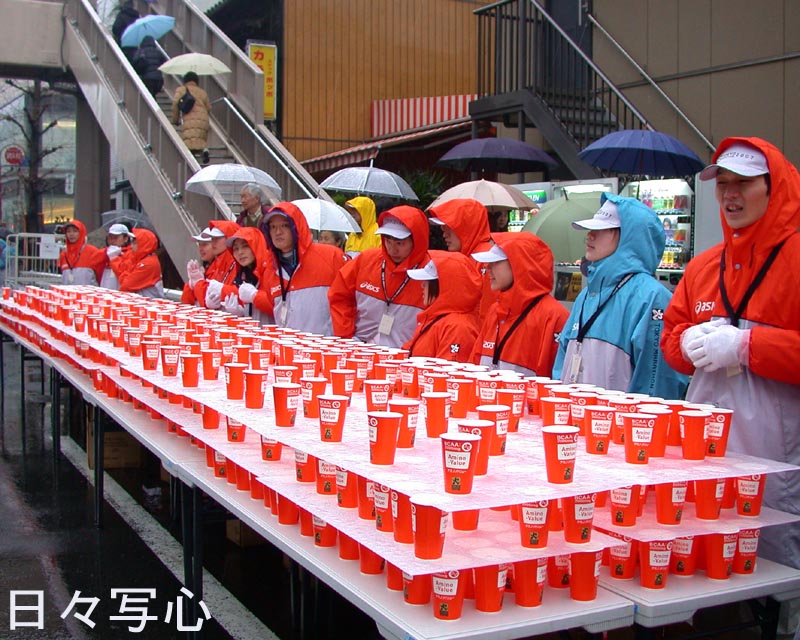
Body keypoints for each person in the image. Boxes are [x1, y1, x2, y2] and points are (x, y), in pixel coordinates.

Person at [660, 137, 800, 586]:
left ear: (774, 187)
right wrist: (686, 343)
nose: (730, 195)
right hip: (704, 451)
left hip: (778, 457)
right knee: (704, 553)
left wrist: (747, 346)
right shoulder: (703, 267)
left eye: (743, 183)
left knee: (776, 564)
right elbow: (670, 341)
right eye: (722, 183)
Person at [552, 194, 688, 398]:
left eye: (601, 230)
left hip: (620, 418)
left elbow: (658, 385)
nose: (590, 235)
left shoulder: (652, 298)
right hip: (576, 416)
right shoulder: (587, 294)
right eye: (591, 229)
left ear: (629, 237)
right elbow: (563, 361)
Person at [328, 206, 429, 347]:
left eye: (400, 243)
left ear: (416, 240)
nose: (392, 249)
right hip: (361, 347)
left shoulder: (430, 273)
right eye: (388, 241)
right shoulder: (366, 260)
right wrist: (346, 337)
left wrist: (415, 351)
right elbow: (339, 296)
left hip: (405, 354)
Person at [236, 202, 346, 333]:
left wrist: (345, 336)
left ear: (296, 227)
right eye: (273, 227)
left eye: (284, 225)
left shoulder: (331, 256)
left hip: (324, 343)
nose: (278, 232)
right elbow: (272, 308)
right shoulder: (271, 268)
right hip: (288, 343)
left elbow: (350, 300)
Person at [470, 232, 569, 377]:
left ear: (519, 264)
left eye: (495, 262)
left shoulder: (555, 316)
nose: (488, 268)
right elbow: (474, 365)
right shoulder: (495, 310)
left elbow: (559, 380)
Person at [404, 251, 481, 362]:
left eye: (428, 281)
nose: (422, 285)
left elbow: (447, 370)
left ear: (445, 285)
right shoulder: (436, 318)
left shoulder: (457, 328)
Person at [427, 198, 495, 321]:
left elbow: (485, 314)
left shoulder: (486, 259)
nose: (444, 235)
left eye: (449, 228)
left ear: (466, 226)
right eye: (443, 229)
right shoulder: (468, 256)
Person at [214, 227, 273, 324]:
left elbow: (279, 307)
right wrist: (239, 313)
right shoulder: (243, 275)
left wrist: (255, 296)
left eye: (245, 246)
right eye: (236, 249)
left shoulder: (272, 270)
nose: (240, 252)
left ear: (256, 245)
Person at [196, 220, 240, 309]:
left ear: (229, 238)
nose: (213, 243)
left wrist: (198, 283)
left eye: (217, 238)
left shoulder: (238, 263)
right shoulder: (218, 264)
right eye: (212, 239)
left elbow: (242, 296)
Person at [171, 72, 212, 165]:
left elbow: (175, 105)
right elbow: (209, 108)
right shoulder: (202, 92)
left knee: (189, 142)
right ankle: (204, 150)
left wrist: (175, 120)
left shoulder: (181, 90)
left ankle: (191, 164)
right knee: (200, 140)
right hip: (203, 119)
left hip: (189, 118)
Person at [108, 228, 163, 298]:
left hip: (149, 301)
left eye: (134, 243)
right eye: (132, 242)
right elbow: (122, 269)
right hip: (142, 300)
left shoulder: (148, 263)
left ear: (143, 244)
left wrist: (114, 259)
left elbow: (126, 286)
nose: (131, 246)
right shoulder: (138, 257)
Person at [58, 220, 106, 286]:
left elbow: (101, 275)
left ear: (81, 232)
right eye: (68, 231)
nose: (71, 234)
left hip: (87, 292)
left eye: (75, 231)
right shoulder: (63, 254)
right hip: (68, 292)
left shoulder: (92, 252)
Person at [181, 227, 217, 305]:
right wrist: (190, 285)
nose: (201, 249)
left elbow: (205, 302)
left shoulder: (220, 269)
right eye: (200, 245)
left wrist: (198, 283)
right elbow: (186, 301)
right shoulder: (206, 268)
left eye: (205, 245)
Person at [100, 223, 134, 290]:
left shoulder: (131, 254)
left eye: (116, 237)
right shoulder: (105, 252)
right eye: (110, 237)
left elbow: (123, 273)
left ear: (126, 239)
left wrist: (114, 257)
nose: (112, 240)